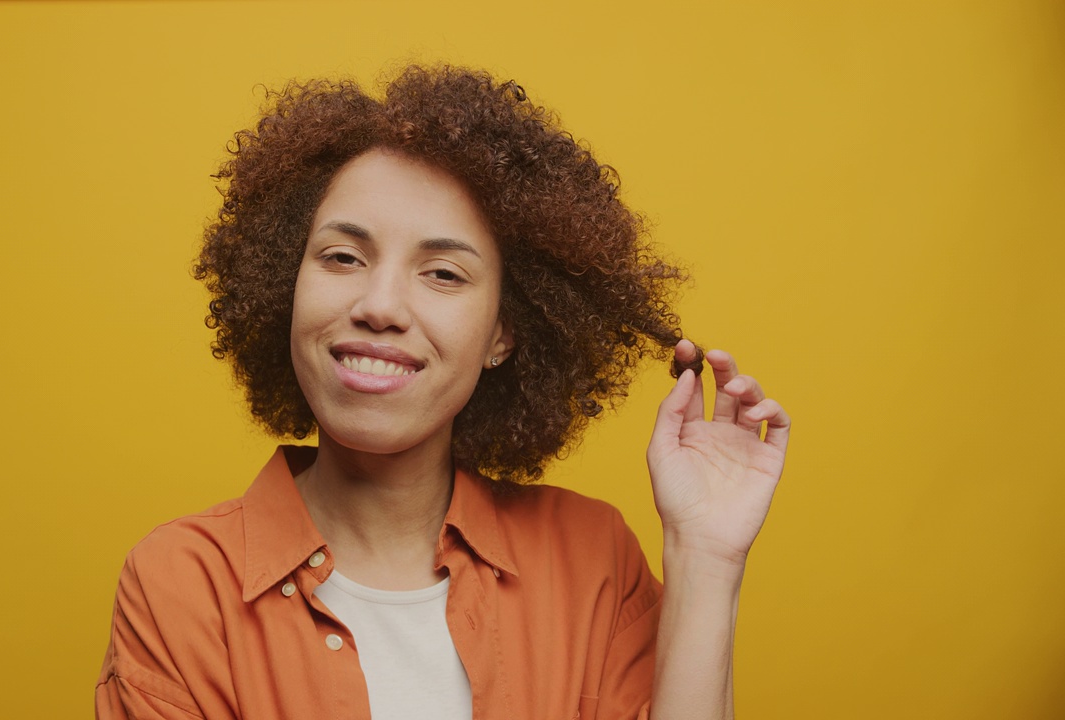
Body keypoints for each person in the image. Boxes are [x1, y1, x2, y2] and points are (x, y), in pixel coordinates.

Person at [95, 65, 790, 720]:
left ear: (504, 334)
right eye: (343, 257)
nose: (381, 304)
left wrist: (706, 558)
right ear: (285, 282)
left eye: (444, 274)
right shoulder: (182, 584)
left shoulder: (593, 560)